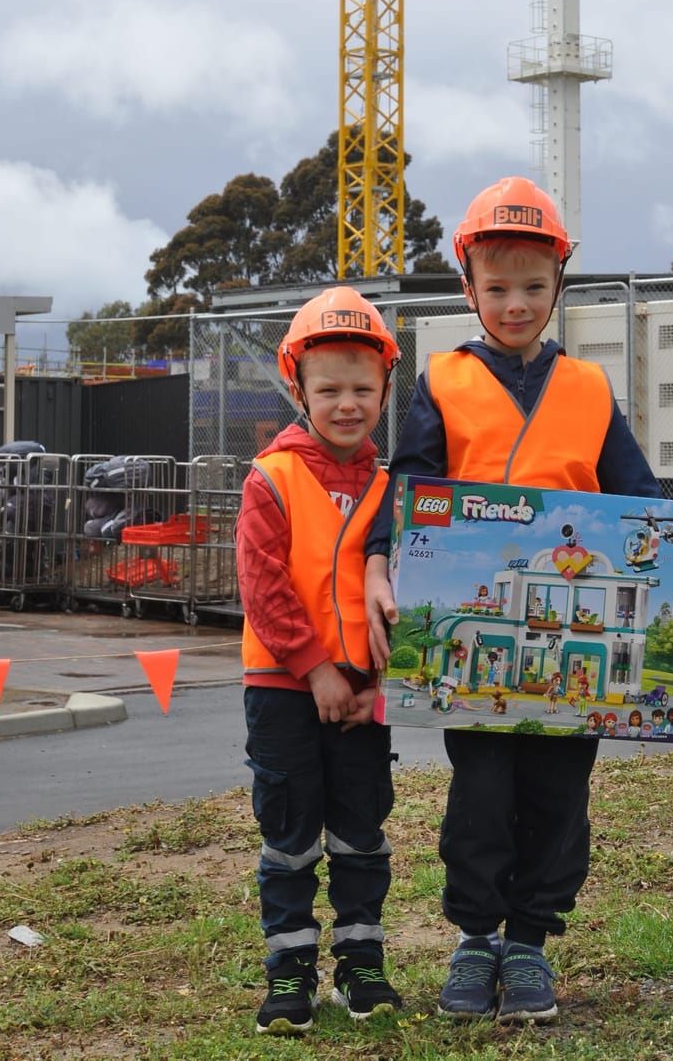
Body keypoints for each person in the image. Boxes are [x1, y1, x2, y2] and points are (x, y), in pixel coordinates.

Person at [364, 176, 673, 1025]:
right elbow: (408, 487)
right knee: (480, 795)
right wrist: (378, 562)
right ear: (467, 286)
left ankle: (529, 944)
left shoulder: (589, 389)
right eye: (497, 288)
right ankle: (476, 938)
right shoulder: (442, 381)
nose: (514, 304)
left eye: (533, 286)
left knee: (558, 797)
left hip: (570, 646)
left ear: (559, 285)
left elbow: (640, 495)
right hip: (479, 643)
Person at [236, 286, 403, 1036]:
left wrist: (378, 685)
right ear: (297, 387)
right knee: (290, 830)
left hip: (364, 695)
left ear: (385, 392)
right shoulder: (269, 478)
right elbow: (263, 589)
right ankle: (290, 970)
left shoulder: (391, 489)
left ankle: (362, 964)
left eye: (362, 390)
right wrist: (316, 669)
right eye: (328, 389)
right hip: (284, 690)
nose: (346, 404)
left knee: (361, 830)